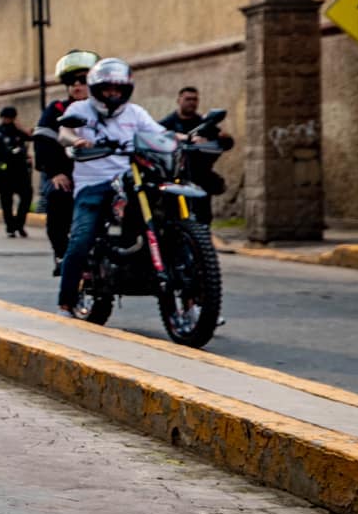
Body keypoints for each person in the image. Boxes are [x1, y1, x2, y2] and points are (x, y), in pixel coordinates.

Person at [56, 58, 169, 319]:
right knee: (81, 238)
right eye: (108, 89)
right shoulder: (80, 108)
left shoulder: (135, 112)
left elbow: (160, 134)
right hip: (92, 184)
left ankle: (189, 296)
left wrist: (188, 139)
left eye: (118, 89)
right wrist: (77, 140)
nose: (113, 94)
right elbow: (64, 133)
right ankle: (66, 302)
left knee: (166, 218)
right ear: (97, 89)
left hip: (130, 181)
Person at [34, 51, 97, 275]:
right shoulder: (57, 110)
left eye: (83, 81)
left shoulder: (106, 108)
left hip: (100, 174)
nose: (77, 86)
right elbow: (43, 141)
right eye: (72, 82)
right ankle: (62, 254)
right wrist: (55, 173)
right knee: (58, 198)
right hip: (66, 174)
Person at [159, 86, 235, 223]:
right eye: (188, 99)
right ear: (179, 100)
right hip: (175, 176)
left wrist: (224, 138)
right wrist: (182, 138)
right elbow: (158, 136)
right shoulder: (167, 123)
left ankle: (202, 240)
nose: (192, 102)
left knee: (204, 216)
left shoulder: (204, 124)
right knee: (171, 214)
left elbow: (225, 142)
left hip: (199, 176)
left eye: (195, 99)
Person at [0, 105, 34, 238]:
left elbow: (32, 137)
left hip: (21, 170)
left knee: (27, 196)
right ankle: (10, 227)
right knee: (6, 201)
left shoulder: (18, 131)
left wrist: (21, 127)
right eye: (6, 117)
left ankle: (19, 223)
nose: (7, 120)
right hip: (4, 170)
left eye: (10, 118)